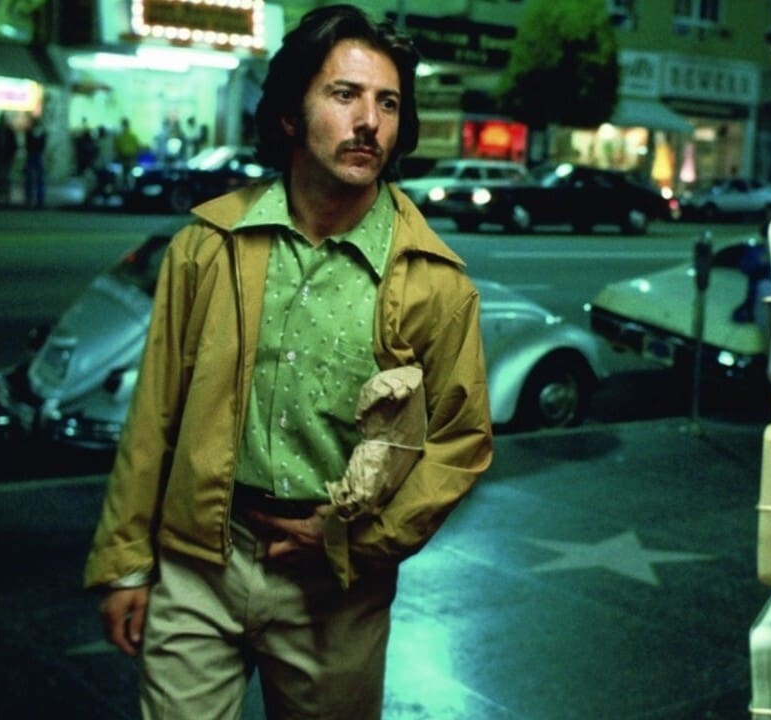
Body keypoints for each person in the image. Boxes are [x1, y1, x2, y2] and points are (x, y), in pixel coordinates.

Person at [83, 5, 493, 718]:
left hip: (335, 585)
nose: (368, 122)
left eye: (388, 103)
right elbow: (155, 413)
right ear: (289, 116)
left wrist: (358, 541)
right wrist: (124, 562)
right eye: (344, 95)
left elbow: (461, 442)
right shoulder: (207, 246)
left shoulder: (435, 283)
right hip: (198, 561)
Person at [0, 112, 17, 206]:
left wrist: (11, 156)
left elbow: (13, 145)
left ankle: (6, 197)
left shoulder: (9, 132)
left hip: (6, 159)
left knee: (6, 178)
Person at [22, 114, 47, 209]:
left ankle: (37, 200)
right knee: (32, 179)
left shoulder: (39, 133)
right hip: (33, 156)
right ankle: (31, 200)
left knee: (38, 179)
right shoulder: (32, 133)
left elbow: (40, 146)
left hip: (36, 156)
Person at [113, 117, 141, 188]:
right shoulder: (130, 136)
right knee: (128, 173)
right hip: (127, 157)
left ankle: (128, 187)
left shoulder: (121, 136)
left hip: (127, 157)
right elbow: (137, 147)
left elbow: (116, 148)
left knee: (127, 173)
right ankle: (129, 187)